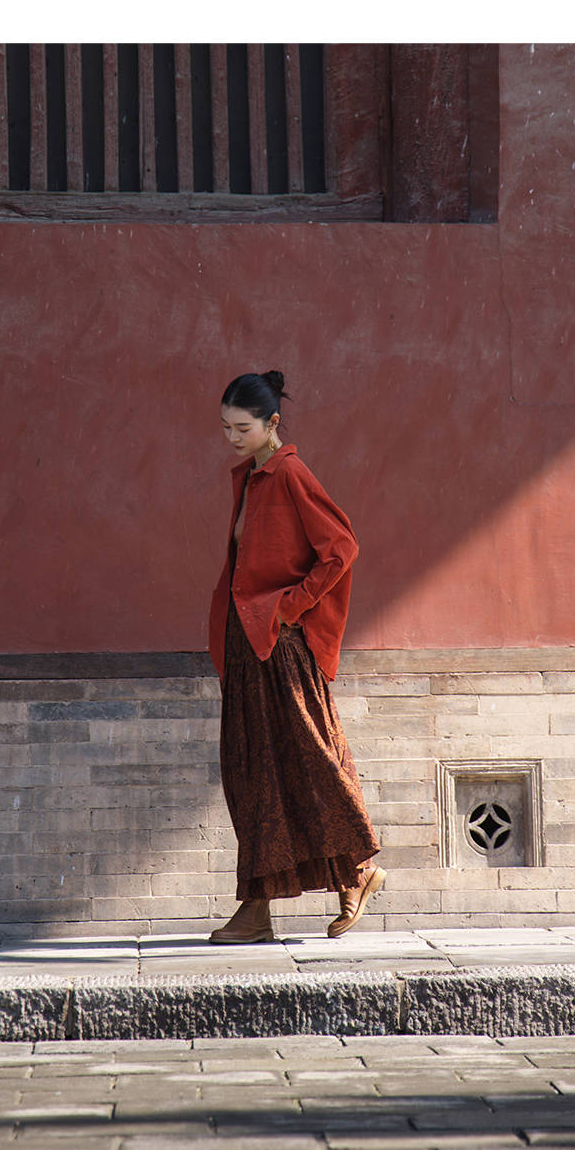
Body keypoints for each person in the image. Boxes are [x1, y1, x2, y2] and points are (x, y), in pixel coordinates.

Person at [207, 369, 384, 947]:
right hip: (247, 645)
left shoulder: (289, 474)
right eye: (226, 427)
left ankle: (359, 870)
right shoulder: (252, 477)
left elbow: (342, 549)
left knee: (313, 760)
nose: (232, 437)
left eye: (242, 428)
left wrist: (290, 608)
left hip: (280, 647)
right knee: (253, 773)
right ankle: (257, 909)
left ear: (272, 423)